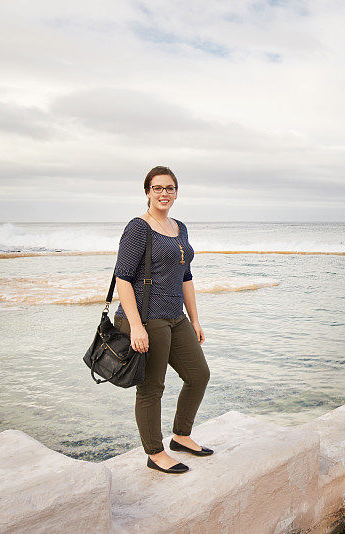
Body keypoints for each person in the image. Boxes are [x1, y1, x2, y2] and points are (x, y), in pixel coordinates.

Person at [113, 166, 212, 474]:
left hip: (176, 317)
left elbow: (186, 277)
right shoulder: (138, 227)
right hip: (148, 318)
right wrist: (137, 326)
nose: (164, 193)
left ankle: (181, 436)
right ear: (147, 193)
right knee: (152, 388)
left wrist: (195, 319)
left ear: (176, 192)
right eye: (157, 188)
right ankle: (155, 453)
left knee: (198, 375)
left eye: (169, 188)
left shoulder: (179, 228)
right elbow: (123, 279)